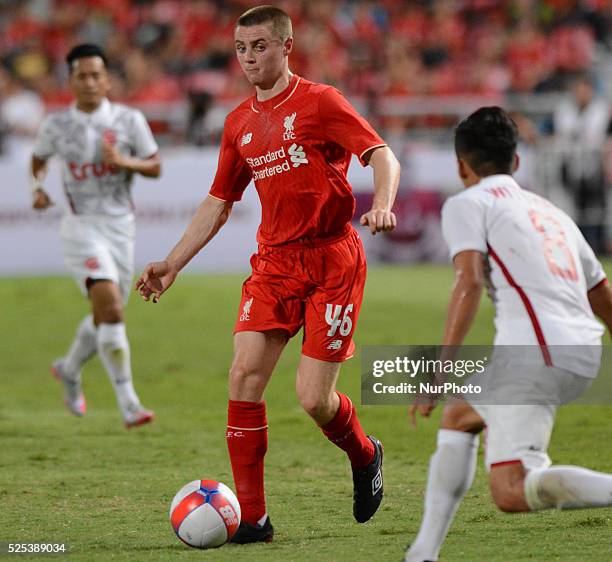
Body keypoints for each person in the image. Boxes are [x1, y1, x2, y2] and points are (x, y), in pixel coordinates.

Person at [136, 5, 400, 543]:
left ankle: (365, 452)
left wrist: (384, 204)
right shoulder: (238, 124)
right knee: (244, 376)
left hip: (332, 260)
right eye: (241, 48)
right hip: (275, 265)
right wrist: (172, 263)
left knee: (314, 400)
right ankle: (253, 520)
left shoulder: (321, 102)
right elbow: (218, 201)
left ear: (286, 47)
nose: (249, 57)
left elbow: (381, 154)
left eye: (259, 46)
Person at [404, 107, 612, 562]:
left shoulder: (467, 203)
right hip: (582, 350)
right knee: (460, 416)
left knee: (512, 492)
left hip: (536, 355)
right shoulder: (552, 212)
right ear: (516, 162)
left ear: (461, 166)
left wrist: (438, 371)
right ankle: (422, 553)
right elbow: (600, 290)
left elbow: (469, 281)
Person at [31, 44, 161, 429]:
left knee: (105, 313)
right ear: (70, 80)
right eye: (81, 75)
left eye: (96, 75)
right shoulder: (56, 125)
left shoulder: (128, 119)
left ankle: (69, 369)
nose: (89, 82)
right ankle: (129, 403)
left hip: (121, 228)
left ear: (107, 80)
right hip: (80, 227)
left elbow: (154, 165)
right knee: (113, 310)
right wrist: (36, 188)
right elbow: (38, 160)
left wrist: (125, 162)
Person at [554, 74, 610, 255]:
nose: (581, 93)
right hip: (570, 165)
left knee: (596, 210)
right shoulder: (565, 107)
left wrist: (577, 134)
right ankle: (574, 248)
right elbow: (565, 131)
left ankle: (597, 248)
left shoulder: (599, 108)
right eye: (578, 89)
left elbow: (593, 132)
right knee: (573, 210)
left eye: (585, 89)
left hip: (595, 166)